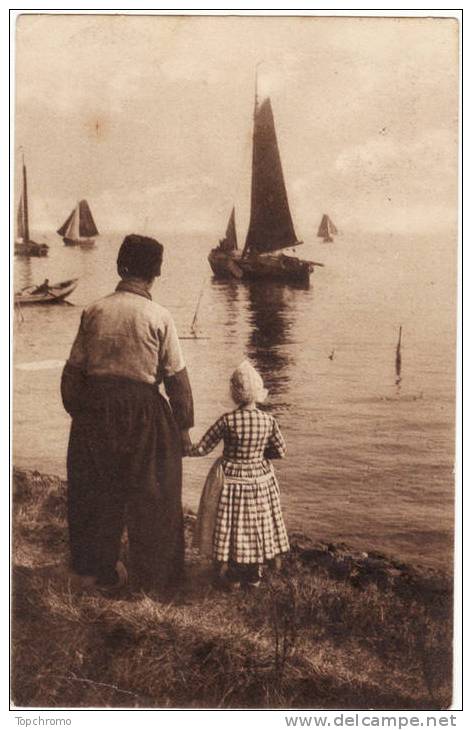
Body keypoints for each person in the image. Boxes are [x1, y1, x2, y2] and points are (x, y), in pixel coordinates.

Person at [60, 234, 194, 593]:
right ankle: (153, 581)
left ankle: (94, 572)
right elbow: (177, 380)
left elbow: (73, 374)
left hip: (95, 410)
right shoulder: (159, 316)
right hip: (144, 414)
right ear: (156, 273)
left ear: (120, 267)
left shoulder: (94, 310)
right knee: (155, 495)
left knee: (94, 492)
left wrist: (83, 414)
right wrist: (182, 429)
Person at [188, 360, 289, 588]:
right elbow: (281, 451)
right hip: (259, 479)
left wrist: (183, 448)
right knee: (257, 522)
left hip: (232, 479)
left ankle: (230, 573)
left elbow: (203, 447)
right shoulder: (268, 421)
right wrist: (261, 454)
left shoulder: (227, 420)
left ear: (234, 393)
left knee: (232, 523)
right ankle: (254, 573)